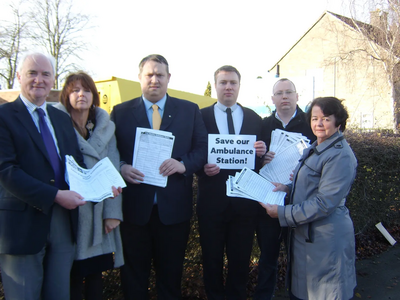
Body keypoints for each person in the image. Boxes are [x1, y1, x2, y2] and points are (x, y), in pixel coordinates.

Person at [110, 54, 208, 299]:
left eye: (160, 75)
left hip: (173, 213)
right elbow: (110, 153)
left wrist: (183, 164)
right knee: (133, 279)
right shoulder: (120, 112)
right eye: (149, 75)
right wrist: (121, 166)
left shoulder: (189, 110)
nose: (154, 80)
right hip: (134, 213)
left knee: (170, 279)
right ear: (140, 78)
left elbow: (202, 149)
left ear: (168, 78)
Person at [0, 52, 86, 300]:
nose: (39, 79)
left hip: (63, 223)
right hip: (21, 227)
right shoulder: (3, 117)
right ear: (18, 77)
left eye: (46, 74)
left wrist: (99, 186)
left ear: (53, 80)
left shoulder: (61, 117)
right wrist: (56, 195)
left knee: (59, 295)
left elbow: (75, 163)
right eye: (32, 73)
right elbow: (6, 171)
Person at [261, 96, 357, 300]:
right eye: (314, 118)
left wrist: (282, 213)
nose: (319, 124)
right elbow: (312, 186)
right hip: (308, 237)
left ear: (338, 121)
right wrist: (287, 189)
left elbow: (324, 203)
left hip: (326, 240)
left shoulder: (339, 155)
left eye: (325, 118)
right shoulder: (319, 147)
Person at [197, 65, 266, 299]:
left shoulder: (255, 119)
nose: (228, 87)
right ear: (215, 85)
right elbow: (192, 153)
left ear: (239, 86)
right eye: (223, 82)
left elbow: (264, 160)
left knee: (240, 261)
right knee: (211, 259)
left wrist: (262, 152)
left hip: (244, 204)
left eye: (233, 83)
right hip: (211, 204)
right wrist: (201, 167)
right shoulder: (201, 117)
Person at [55, 71, 124, 300]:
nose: (81, 94)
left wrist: (113, 214)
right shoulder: (55, 124)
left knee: (95, 278)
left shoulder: (105, 127)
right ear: (66, 94)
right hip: (68, 215)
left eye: (86, 90)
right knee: (70, 279)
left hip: (98, 214)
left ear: (94, 95)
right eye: (75, 90)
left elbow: (113, 170)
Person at [254, 78, 316, 299]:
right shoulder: (263, 125)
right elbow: (252, 164)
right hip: (269, 202)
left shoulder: (311, 124)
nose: (284, 97)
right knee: (267, 257)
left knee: (299, 257)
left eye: (289, 92)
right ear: (273, 99)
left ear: (297, 96)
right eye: (279, 93)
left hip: (298, 202)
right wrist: (260, 159)